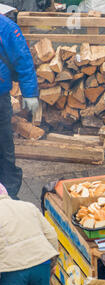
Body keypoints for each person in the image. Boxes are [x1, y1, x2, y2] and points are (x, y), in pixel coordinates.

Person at [0, 13, 39, 199]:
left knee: (3, 145)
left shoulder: (6, 27)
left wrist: (30, 93)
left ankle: (9, 193)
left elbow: (23, 59)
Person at [0, 183, 58, 285]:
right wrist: (52, 264)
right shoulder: (28, 206)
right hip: (42, 263)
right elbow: (51, 235)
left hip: (12, 271)